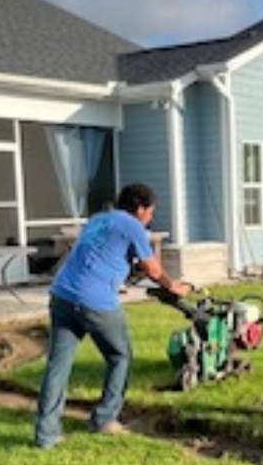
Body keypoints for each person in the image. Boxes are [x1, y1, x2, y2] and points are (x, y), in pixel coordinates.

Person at [34, 183, 189, 449]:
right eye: (150, 212)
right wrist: (173, 286)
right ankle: (104, 419)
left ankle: (46, 435)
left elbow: (103, 253)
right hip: (95, 301)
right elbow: (153, 269)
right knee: (120, 356)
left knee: (58, 365)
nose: (150, 217)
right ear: (140, 209)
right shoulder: (132, 226)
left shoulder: (98, 219)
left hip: (61, 295)